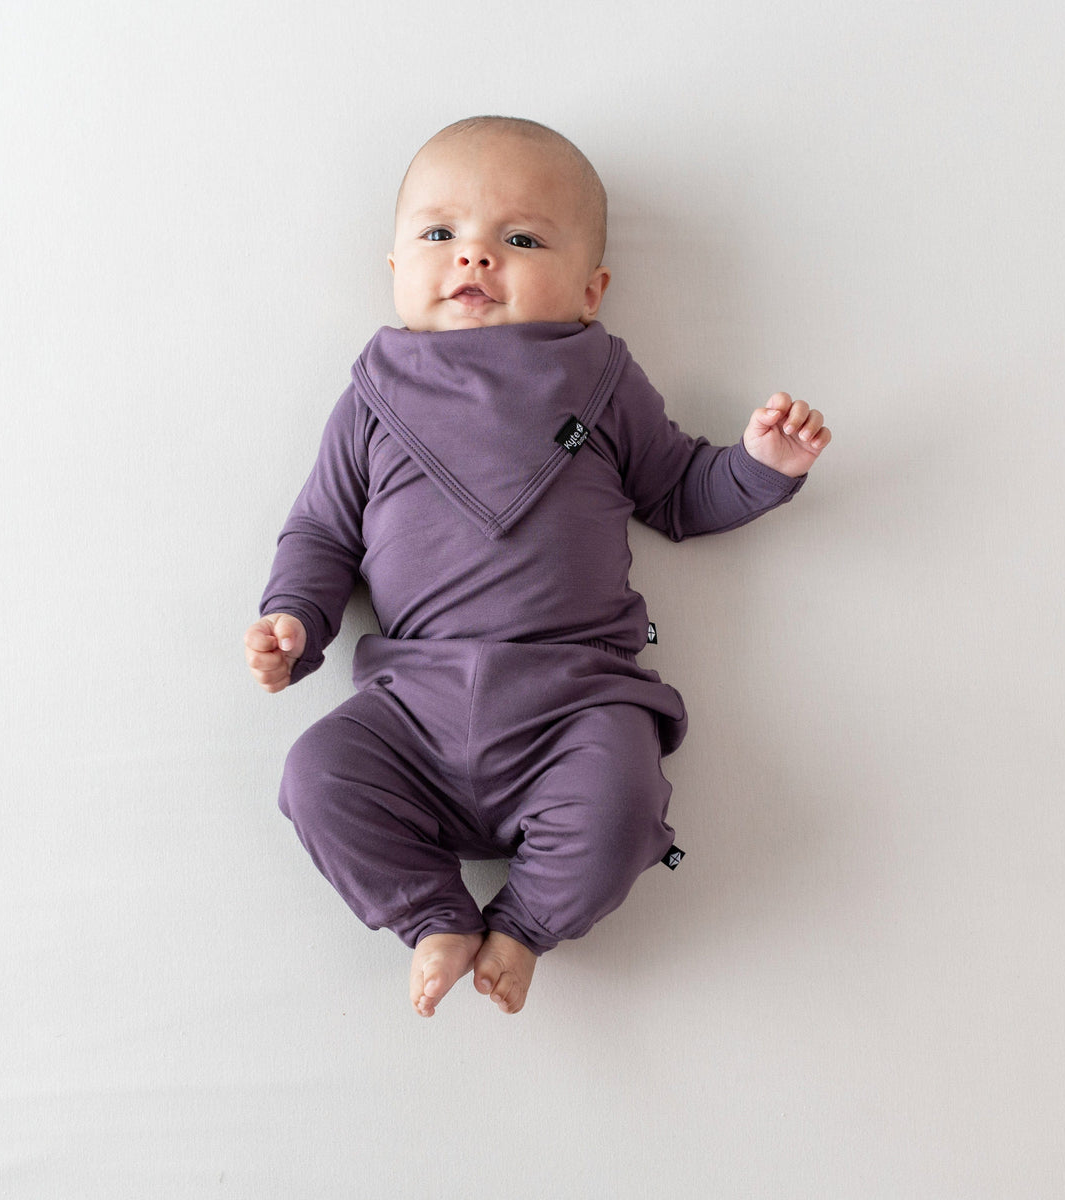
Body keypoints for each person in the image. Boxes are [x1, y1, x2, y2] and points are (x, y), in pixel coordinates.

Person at [244, 116, 831, 1018]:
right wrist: (296, 618)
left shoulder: (597, 377)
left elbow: (677, 491)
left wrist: (760, 468)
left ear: (590, 290)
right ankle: (432, 918)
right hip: (413, 707)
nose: (474, 259)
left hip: (575, 700)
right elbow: (323, 529)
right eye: (441, 235)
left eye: (519, 240)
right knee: (316, 774)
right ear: (397, 270)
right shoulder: (373, 394)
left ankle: (521, 928)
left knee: (623, 803)